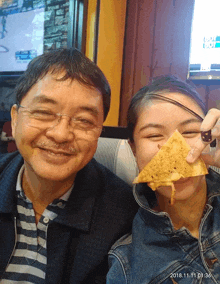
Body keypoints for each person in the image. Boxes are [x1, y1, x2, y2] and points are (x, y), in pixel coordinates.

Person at [0, 48, 138, 284]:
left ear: (99, 132)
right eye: (43, 112)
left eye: (84, 120)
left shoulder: (124, 216)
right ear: (14, 119)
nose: (61, 134)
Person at [107, 75, 220, 284]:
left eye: (190, 131)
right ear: (133, 148)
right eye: (154, 135)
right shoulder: (128, 266)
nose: (174, 151)